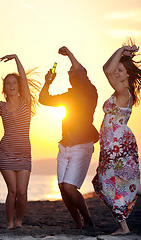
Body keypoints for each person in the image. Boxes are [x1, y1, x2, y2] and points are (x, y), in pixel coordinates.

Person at [39, 46, 99, 229]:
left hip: (82, 146)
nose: (71, 73)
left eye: (74, 71)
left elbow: (80, 71)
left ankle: (88, 221)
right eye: (69, 72)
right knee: (63, 189)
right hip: (64, 146)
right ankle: (78, 223)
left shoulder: (90, 91)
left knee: (69, 187)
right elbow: (44, 99)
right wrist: (47, 82)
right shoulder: (69, 95)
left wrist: (70, 55)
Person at [0, 54, 40, 229]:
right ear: (4, 88)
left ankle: (19, 222)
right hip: (5, 153)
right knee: (12, 190)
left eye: (14, 83)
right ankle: (9, 223)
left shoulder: (26, 102)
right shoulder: (1, 106)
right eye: (8, 83)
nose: (11, 85)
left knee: (22, 193)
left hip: (23, 154)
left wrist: (16, 58)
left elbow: (23, 79)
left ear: (19, 86)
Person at [92, 42, 141, 235]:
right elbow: (108, 68)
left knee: (106, 182)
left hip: (117, 144)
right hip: (114, 143)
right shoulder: (123, 91)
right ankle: (123, 226)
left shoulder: (122, 90)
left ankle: (124, 227)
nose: (117, 73)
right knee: (114, 180)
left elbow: (106, 70)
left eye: (121, 70)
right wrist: (121, 53)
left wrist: (121, 51)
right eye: (118, 70)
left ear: (127, 74)